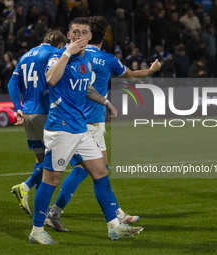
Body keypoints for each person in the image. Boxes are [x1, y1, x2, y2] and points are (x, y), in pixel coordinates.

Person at [28, 17, 143, 245]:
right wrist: (66, 53)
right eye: (75, 32)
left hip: (80, 128)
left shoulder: (86, 60)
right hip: (61, 129)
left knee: (100, 172)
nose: (79, 35)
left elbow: (85, 87)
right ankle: (36, 230)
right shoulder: (57, 56)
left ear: (90, 36)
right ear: (69, 35)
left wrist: (105, 102)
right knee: (51, 179)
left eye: (84, 32)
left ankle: (113, 227)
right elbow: (51, 79)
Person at [45, 16, 161, 232]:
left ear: (88, 34)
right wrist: (152, 70)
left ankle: (114, 214)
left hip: (72, 117)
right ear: (105, 35)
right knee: (90, 170)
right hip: (90, 122)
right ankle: (108, 217)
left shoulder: (77, 53)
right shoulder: (108, 59)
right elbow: (132, 75)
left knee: (87, 169)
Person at [8, 30, 67, 215]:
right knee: (58, 157)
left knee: (41, 159)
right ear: (59, 44)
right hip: (45, 112)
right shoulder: (53, 54)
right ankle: (24, 187)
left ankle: (39, 207)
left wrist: (17, 106)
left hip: (27, 113)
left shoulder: (26, 55)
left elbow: (12, 83)